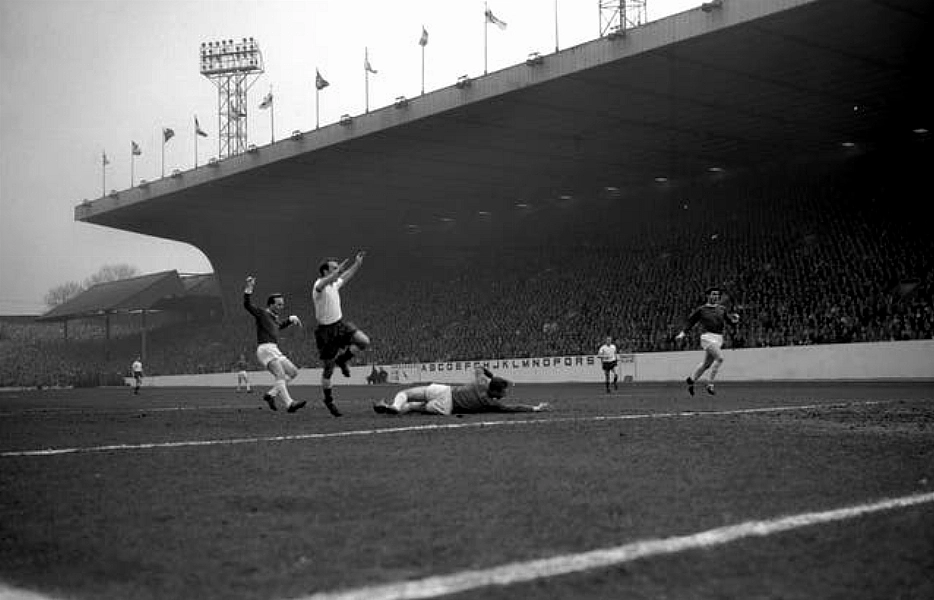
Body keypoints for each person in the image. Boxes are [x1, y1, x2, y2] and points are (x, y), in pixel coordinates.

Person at [312, 251, 371, 417]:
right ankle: (328, 400)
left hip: (340, 325)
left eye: (337, 267)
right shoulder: (319, 286)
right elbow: (325, 282)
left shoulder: (334, 285)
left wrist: (357, 264)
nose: (337, 270)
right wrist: (337, 273)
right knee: (328, 370)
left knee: (364, 341)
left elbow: (346, 276)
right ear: (325, 271)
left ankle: (343, 359)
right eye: (334, 268)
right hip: (326, 332)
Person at [372, 366, 550, 416]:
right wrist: (535, 408)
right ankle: (399, 408)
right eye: (503, 391)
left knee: (407, 394)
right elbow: (512, 408)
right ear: (496, 392)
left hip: (444, 391)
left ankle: (394, 406)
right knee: (412, 407)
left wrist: (491, 375)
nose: (504, 393)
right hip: (446, 408)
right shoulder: (489, 402)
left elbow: (480, 367)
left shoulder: (482, 380)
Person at [243, 276, 307, 413]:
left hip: (274, 349)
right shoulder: (262, 313)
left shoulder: (274, 318)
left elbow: (278, 327)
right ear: (270, 305)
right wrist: (249, 287)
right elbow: (247, 305)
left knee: (293, 372)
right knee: (280, 375)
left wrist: (290, 319)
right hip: (265, 348)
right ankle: (289, 404)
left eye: (282, 304)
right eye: (278, 304)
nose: (281, 306)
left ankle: (271, 394)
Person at [674, 286, 740, 396]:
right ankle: (710, 384)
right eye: (713, 294)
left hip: (718, 338)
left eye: (717, 295)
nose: (715, 296)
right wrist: (682, 334)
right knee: (720, 358)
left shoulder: (722, 309)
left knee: (706, 364)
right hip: (707, 337)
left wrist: (735, 320)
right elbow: (691, 322)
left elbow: (730, 322)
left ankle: (691, 380)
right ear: (708, 296)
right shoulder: (701, 309)